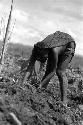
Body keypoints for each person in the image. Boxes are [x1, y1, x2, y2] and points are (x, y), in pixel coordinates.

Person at [22, 31, 76, 105]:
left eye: (45, 56)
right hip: (56, 44)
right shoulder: (36, 49)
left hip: (69, 45)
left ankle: (64, 102)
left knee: (60, 72)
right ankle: (40, 92)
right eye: (41, 57)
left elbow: (53, 72)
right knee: (47, 71)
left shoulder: (53, 51)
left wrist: (40, 84)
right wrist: (22, 83)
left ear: (46, 50)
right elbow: (30, 67)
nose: (45, 58)